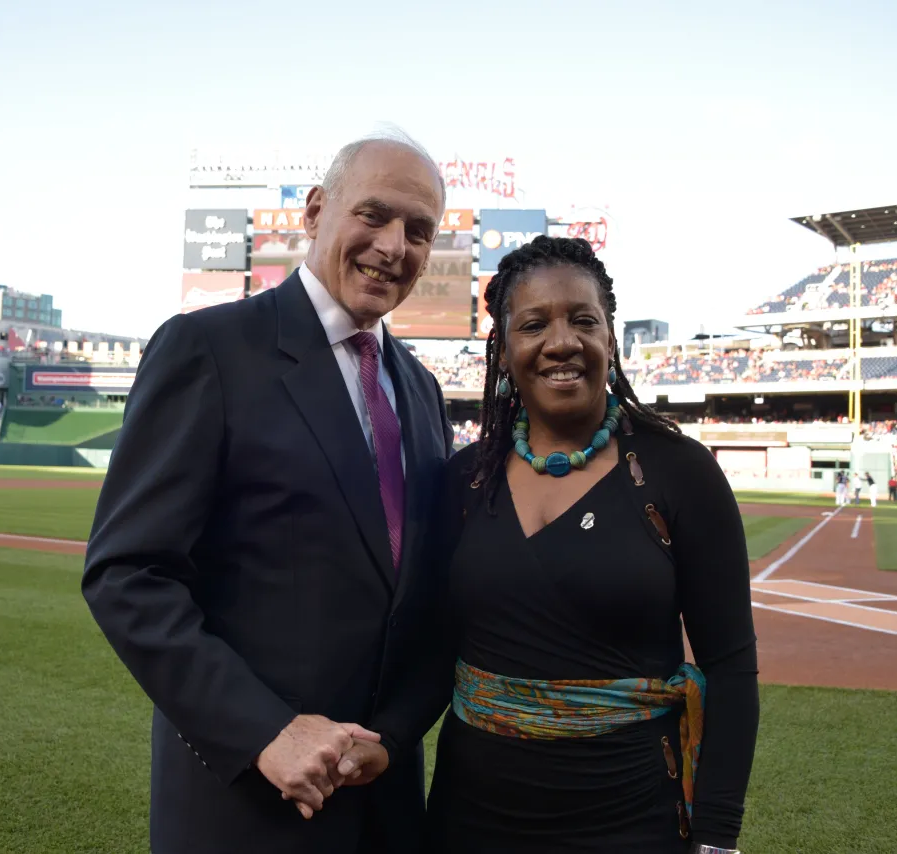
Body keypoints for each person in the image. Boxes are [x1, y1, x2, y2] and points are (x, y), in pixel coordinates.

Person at [82, 132, 454, 854]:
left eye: (418, 230)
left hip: (385, 808)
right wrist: (264, 731)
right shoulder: (209, 350)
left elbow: (425, 596)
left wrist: (398, 734)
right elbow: (128, 573)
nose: (393, 245)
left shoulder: (422, 389)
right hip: (248, 811)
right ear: (315, 212)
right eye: (373, 216)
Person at [421, 236, 759, 853]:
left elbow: (730, 666)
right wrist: (380, 738)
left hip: (630, 817)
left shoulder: (680, 472)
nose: (561, 342)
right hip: (470, 818)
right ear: (504, 352)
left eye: (583, 320)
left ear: (610, 338)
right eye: (533, 324)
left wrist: (716, 837)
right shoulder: (464, 478)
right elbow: (432, 652)